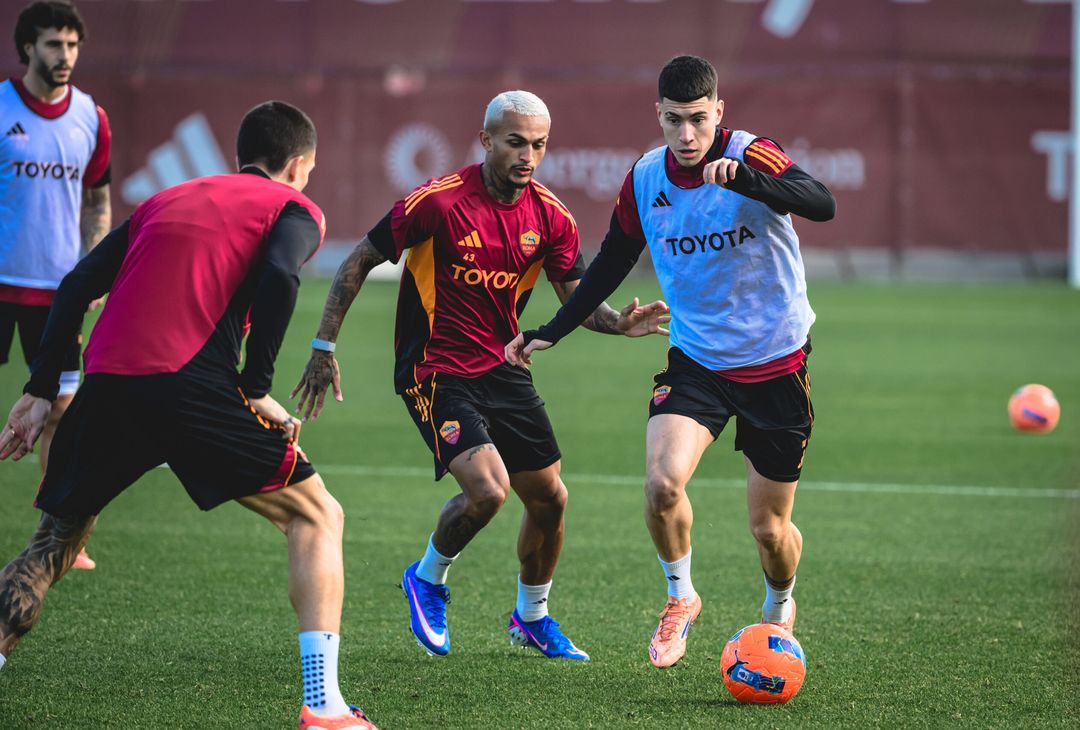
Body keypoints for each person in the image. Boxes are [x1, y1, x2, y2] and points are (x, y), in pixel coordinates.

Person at [0, 101, 377, 729]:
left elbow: (74, 287)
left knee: (52, 546)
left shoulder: (162, 200)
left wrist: (40, 388)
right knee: (318, 515)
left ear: (237, 158)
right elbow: (283, 275)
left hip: (107, 388)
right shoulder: (294, 207)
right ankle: (325, 705)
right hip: (193, 387)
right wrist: (257, 387)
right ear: (298, 165)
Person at [293, 90, 668, 662]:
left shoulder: (551, 217)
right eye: (516, 142)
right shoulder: (438, 202)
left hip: (504, 365)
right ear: (486, 138)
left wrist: (618, 322)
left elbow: (577, 299)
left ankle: (532, 617)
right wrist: (324, 345)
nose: (527, 155)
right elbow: (360, 259)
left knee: (550, 500)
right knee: (489, 491)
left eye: (539, 145)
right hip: (433, 370)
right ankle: (428, 578)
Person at [506, 55, 836, 669]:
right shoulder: (645, 178)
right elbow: (610, 261)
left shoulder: (751, 153)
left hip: (776, 365)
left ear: (719, 112)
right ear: (658, 115)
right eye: (674, 122)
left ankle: (780, 600)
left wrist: (748, 181)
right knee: (661, 485)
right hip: (697, 363)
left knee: (770, 532)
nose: (687, 136)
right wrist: (554, 329)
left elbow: (821, 203)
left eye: (698, 121)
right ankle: (681, 597)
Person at [1, 0, 112, 570]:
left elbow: (97, 200)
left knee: (63, 409)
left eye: (72, 45)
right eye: (53, 44)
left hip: (57, 290)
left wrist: (91, 268)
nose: (64, 55)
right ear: (28, 48)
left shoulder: (90, 116)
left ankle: (59, 537)